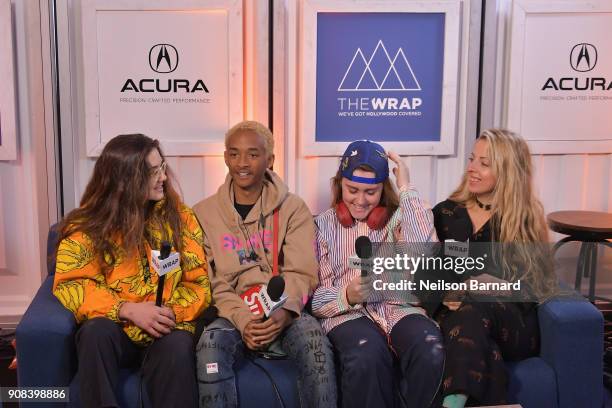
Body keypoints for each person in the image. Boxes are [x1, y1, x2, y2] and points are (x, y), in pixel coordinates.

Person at [53, 134, 211, 408]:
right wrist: (126, 309)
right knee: (95, 333)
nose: (163, 177)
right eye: (152, 172)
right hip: (119, 328)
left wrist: (170, 313)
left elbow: (198, 283)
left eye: (162, 167)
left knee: (177, 346)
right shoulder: (86, 226)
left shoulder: (181, 218)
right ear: (124, 179)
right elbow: (73, 284)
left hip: (166, 328)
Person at [193, 121, 336, 408]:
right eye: (234, 154)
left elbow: (302, 272)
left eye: (252, 154)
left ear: (270, 160)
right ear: (225, 157)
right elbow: (213, 281)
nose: (242, 163)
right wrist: (243, 320)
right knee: (210, 347)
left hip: (283, 308)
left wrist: (284, 312)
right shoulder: (204, 213)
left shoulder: (293, 208)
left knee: (314, 342)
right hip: (233, 312)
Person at [311, 140, 444, 408]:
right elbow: (314, 300)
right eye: (352, 190)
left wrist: (405, 186)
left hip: (398, 307)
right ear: (339, 185)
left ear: (383, 188)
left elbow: (425, 253)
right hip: (347, 315)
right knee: (366, 353)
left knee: (430, 346)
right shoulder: (321, 226)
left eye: (370, 191)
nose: (360, 201)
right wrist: (346, 294)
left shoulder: (401, 216)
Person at [432, 129, 558, 408]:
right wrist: (443, 292)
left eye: (484, 163)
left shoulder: (523, 220)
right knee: (480, 342)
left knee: (475, 307)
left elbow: (537, 288)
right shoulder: (446, 213)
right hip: (458, 320)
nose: (471, 169)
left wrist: (493, 285)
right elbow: (425, 274)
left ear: (508, 172)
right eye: (472, 159)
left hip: (512, 322)